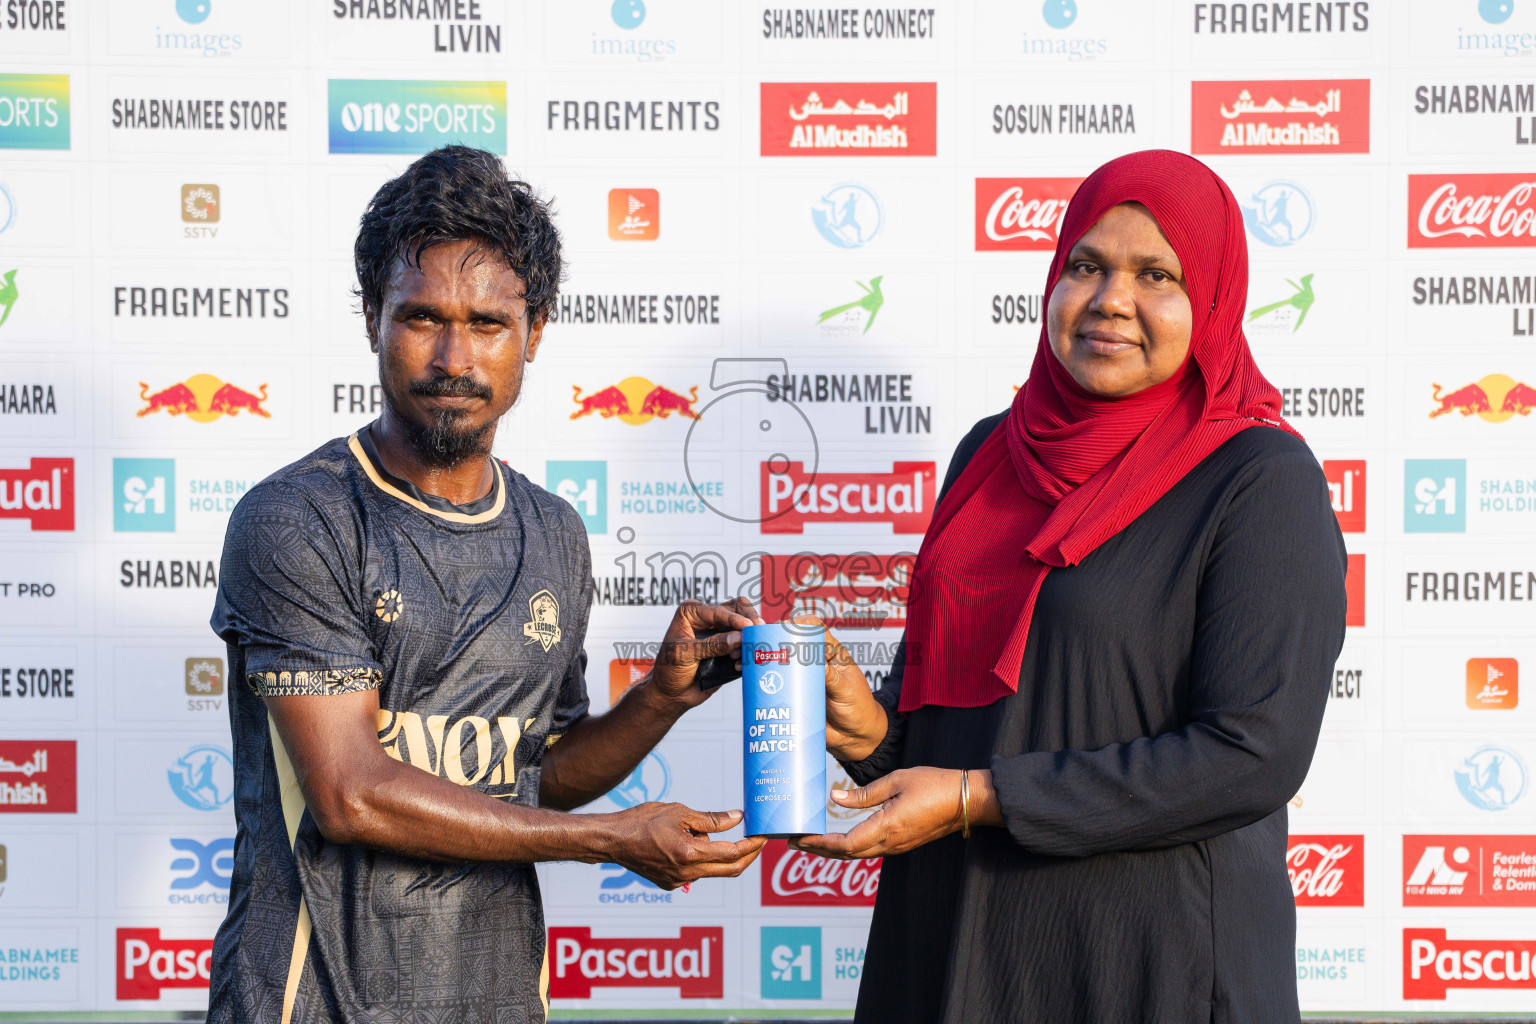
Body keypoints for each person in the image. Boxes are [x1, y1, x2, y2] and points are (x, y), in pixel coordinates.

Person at [207, 146, 764, 1024]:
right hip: (310, 1003)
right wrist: (607, 841)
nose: (454, 357)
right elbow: (350, 793)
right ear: (372, 318)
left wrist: (659, 700)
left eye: (489, 323)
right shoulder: (298, 518)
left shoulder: (554, 533)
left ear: (534, 332)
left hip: (498, 999)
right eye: (422, 317)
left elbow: (538, 779)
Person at [795, 150, 1348, 1024]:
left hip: (1141, 958)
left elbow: (1253, 753)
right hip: (951, 935)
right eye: (1086, 266)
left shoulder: (1257, 478)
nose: (1111, 299)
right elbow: (948, 731)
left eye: (1157, 275)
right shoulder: (990, 454)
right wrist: (865, 726)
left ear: (1212, 301)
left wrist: (981, 799)